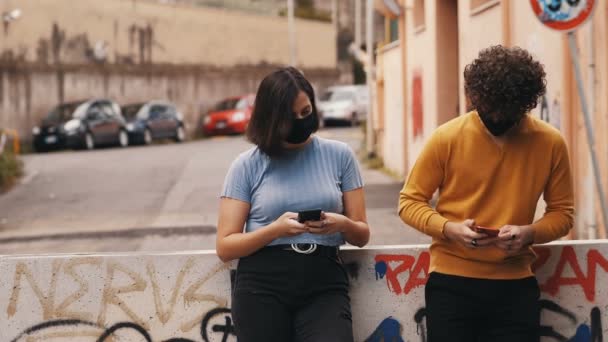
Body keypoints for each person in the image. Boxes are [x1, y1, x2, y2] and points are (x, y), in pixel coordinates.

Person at [399, 45, 574, 342]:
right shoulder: (446, 138)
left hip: (516, 286)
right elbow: (408, 202)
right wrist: (449, 229)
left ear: (525, 103)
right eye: (490, 108)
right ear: (475, 97)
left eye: (508, 111)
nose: (497, 118)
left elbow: (563, 213)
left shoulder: (551, 142)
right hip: (450, 284)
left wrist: (528, 233)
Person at [216, 67, 370, 342]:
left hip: (323, 281)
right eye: (291, 117)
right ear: (271, 119)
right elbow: (225, 246)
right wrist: (274, 230)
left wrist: (341, 223)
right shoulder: (247, 165)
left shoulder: (340, 156)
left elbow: (361, 234)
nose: (301, 121)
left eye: (306, 111)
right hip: (261, 285)